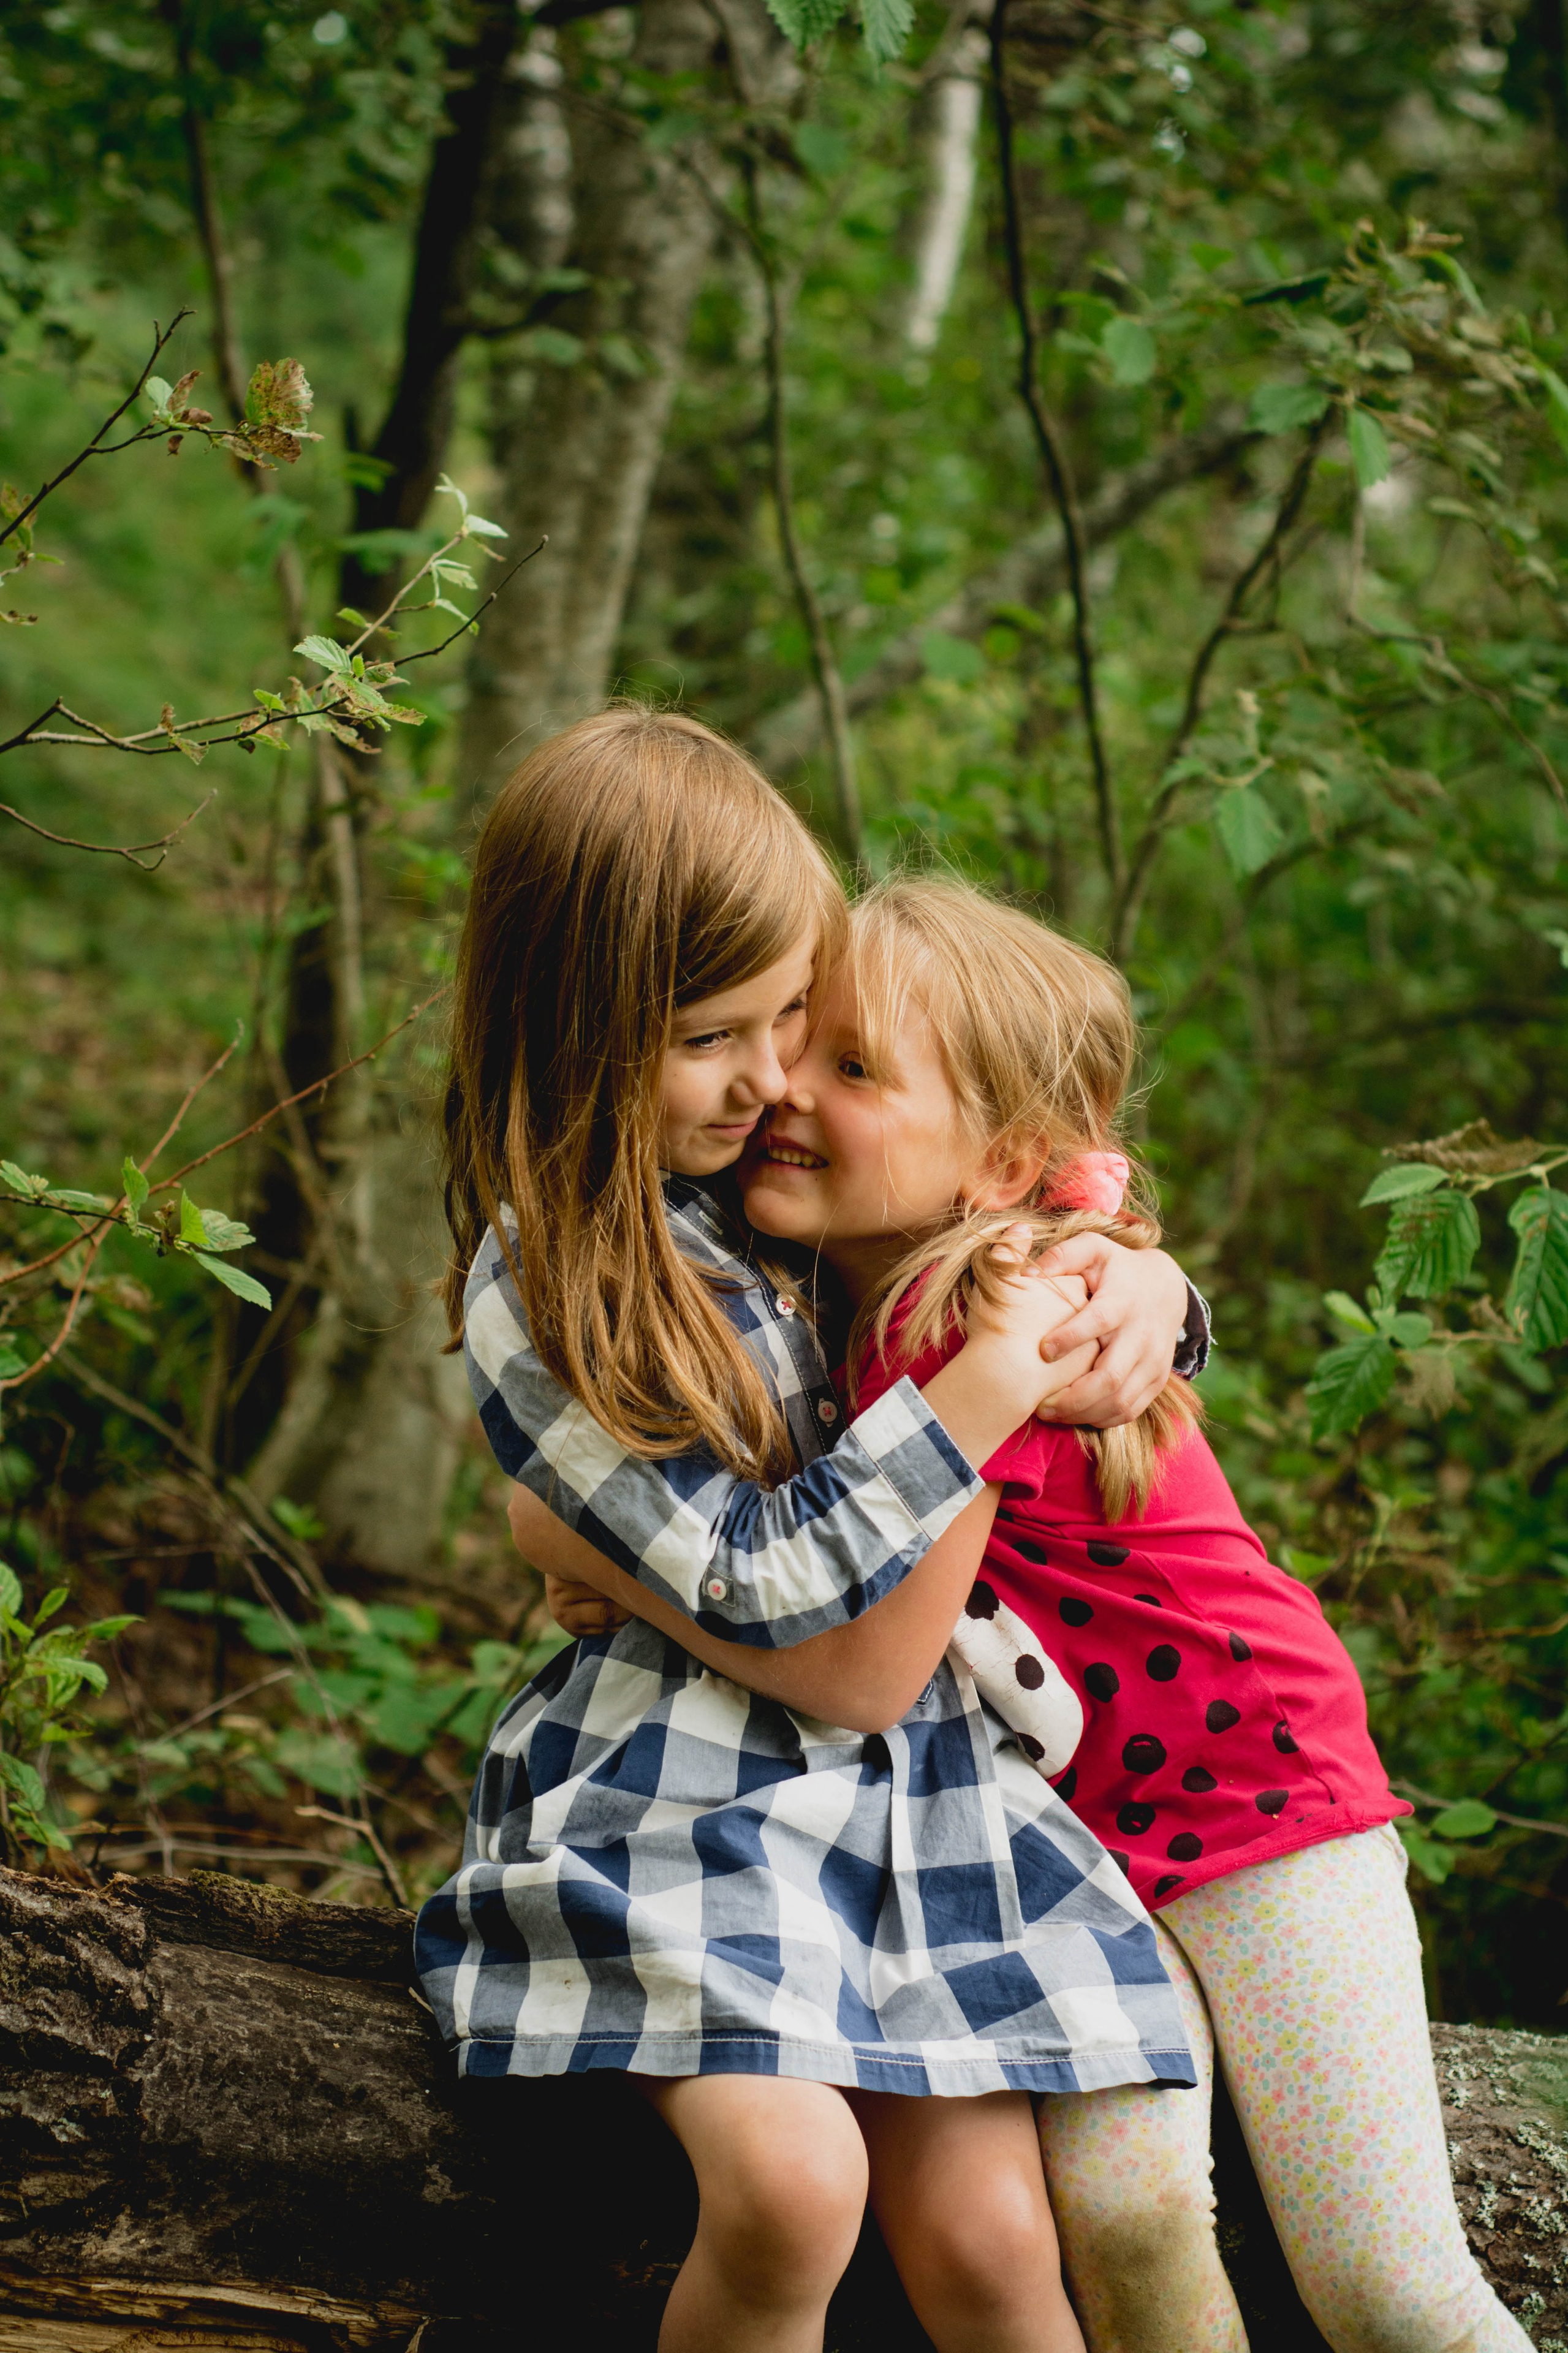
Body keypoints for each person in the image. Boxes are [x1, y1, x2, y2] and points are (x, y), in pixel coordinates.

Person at [416, 708, 1209, 2353]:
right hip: (685, 1807)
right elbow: (767, 1589)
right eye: (719, 1036)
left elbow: (1022, 1199)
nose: (772, 1082)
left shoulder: (750, 1180)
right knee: (793, 2194)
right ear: (579, 1027)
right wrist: (989, 1389)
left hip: (916, 1805)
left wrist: (1149, 1283)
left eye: (791, 1021)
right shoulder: (547, 1270)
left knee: (997, 2235)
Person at [708, 873, 1524, 2353]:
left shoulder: (992, 1313)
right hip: (1068, 1863)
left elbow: (848, 1597)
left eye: (851, 1068)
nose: (784, 1093)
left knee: (1387, 2291)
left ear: (998, 1160)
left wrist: (1136, 1266)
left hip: (1263, 1810)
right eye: (789, 1047)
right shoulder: (828, 1293)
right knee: (1129, 2223)